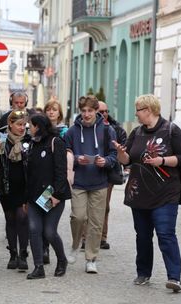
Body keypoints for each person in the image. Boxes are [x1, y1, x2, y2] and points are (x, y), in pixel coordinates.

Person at [113, 94, 181, 292]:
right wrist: (121, 153)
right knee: (143, 235)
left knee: (165, 234)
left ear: (148, 110)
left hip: (166, 193)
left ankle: (174, 277)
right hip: (139, 193)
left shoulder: (171, 130)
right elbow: (127, 160)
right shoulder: (136, 132)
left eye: (138, 110)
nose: (135, 114)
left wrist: (162, 161)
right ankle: (143, 272)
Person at [64, 95, 117, 274]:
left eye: (90, 111)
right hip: (78, 182)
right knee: (78, 217)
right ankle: (75, 244)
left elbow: (113, 154)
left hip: (100, 182)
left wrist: (106, 161)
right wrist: (76, 159)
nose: (86, 114)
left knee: (96, 222)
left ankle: (91, 258)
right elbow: (66, 153)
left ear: (96, 111)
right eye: (83, 111)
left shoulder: (107, 131)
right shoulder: (72, 131)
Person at [25, 114, 71, 279]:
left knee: (49, 232)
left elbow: (61, 171)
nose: (28, 128)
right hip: (33, 196)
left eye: (30, 125)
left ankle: (62, 259)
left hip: (52, 194)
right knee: (34, 229)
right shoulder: (32, 144)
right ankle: (39, 267)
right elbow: (29, 174)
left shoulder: (55, 142)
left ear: (37, 126)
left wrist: (57, 194)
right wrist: (26, 198)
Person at [0, 110, 31, 271]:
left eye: (24, 124)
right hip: (5, 186)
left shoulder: (29, 139)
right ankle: (13, 254)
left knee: (22, 217)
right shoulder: (1, 138)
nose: (21, 128)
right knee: (10, 218)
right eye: (18, 124)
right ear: (10, 124)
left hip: (24, 187)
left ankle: (23, 254)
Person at [80, 101, 127, 251]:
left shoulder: (116, 130)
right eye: (101, 111)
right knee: (86, 208)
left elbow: (122, 151)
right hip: (88, 172)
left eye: (106, 111)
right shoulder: (82, 128)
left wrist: (111, 159)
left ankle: (102, 237)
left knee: (103, 207)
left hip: (108, 173)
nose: (104, 114)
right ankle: (85, 238)